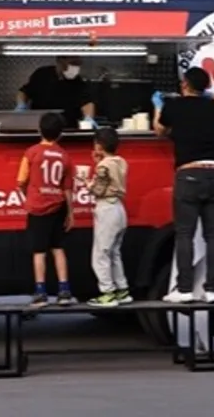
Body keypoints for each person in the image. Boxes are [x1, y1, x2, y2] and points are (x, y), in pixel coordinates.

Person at [153, 67, 214, 303]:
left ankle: (185, 289)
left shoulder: (174, 106)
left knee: (184, 234)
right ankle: (211, 290)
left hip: (189, 173)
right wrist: (213, 96)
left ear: (185, 85)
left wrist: (157, 106)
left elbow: (160, 130)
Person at [16, 112, 76, 307]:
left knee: (39, 251)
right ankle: (64, 291)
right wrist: (71, 212)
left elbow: (21, 181)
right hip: (58, 206)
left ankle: (41, 292)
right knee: (58, 248)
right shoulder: (65, 156)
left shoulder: (31, 153)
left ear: (39, 131)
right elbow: (68, 188)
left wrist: (29, 196)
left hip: (37, 207)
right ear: (60, 134)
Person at [85, 126, 131, 307]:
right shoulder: (121, 162)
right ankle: (122, 290)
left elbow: (98, 189)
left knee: (100, 254)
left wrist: (87, 182)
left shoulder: (103, 166)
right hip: (120, 208)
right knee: (115, 253)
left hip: (107, 209)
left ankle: (107, 292)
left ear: (99, 145)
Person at [16, 56, 96, 127]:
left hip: (68, 129)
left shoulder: (77, 82)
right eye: (73, 63)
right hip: (42, 128)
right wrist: (21, 105)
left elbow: (87, 102)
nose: (76, 68)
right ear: (60, 61)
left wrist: (88, 118)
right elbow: (24, 92)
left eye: (78, 64)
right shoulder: (42, 75)